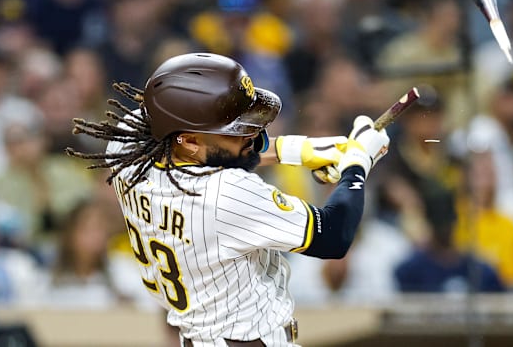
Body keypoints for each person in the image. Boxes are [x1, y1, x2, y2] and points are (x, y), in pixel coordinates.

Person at [67, 53, 390, 346]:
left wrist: (299, 150)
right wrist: (358, 164)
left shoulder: (130, 147)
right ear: (190, 141)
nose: (250, 136)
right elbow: (333, 235)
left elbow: (215, 149)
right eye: (235, 130)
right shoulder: (224, 194)